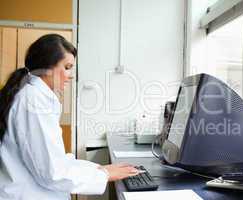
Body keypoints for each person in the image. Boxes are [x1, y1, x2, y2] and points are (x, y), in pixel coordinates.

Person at [0, 34, 139, 200]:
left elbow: (56, 161)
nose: (71, 75)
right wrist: (104, 175)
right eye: (67, 67)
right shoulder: (33, 101)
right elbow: (52, 173)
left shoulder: (33, 95)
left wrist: (99, 170)